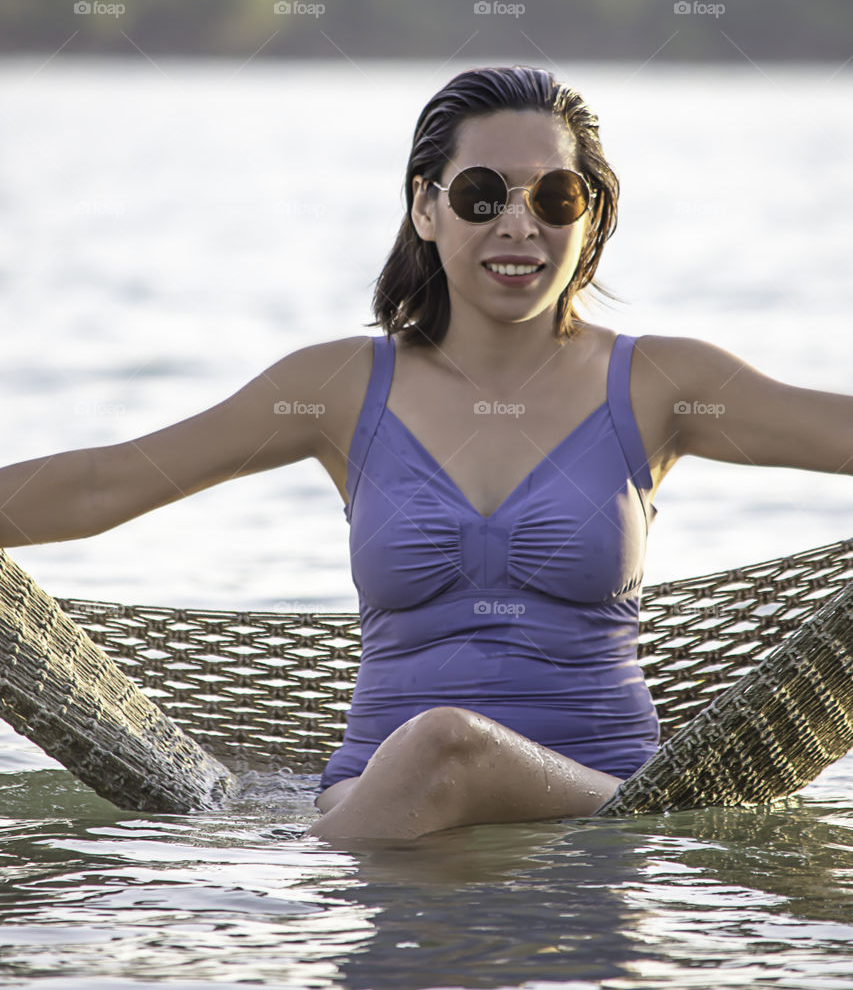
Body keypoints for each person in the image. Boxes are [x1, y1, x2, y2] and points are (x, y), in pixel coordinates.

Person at [1, 65, 851, 844]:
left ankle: (285, 909)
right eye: (481, 195)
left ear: (588, 213)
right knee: (432, 753)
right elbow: (107, 481)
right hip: (373, 796)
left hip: (607, 799)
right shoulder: (336, 387)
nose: (517, 223)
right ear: (425, 207)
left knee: (447, 744)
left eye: (554, 196)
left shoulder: (661, 383)